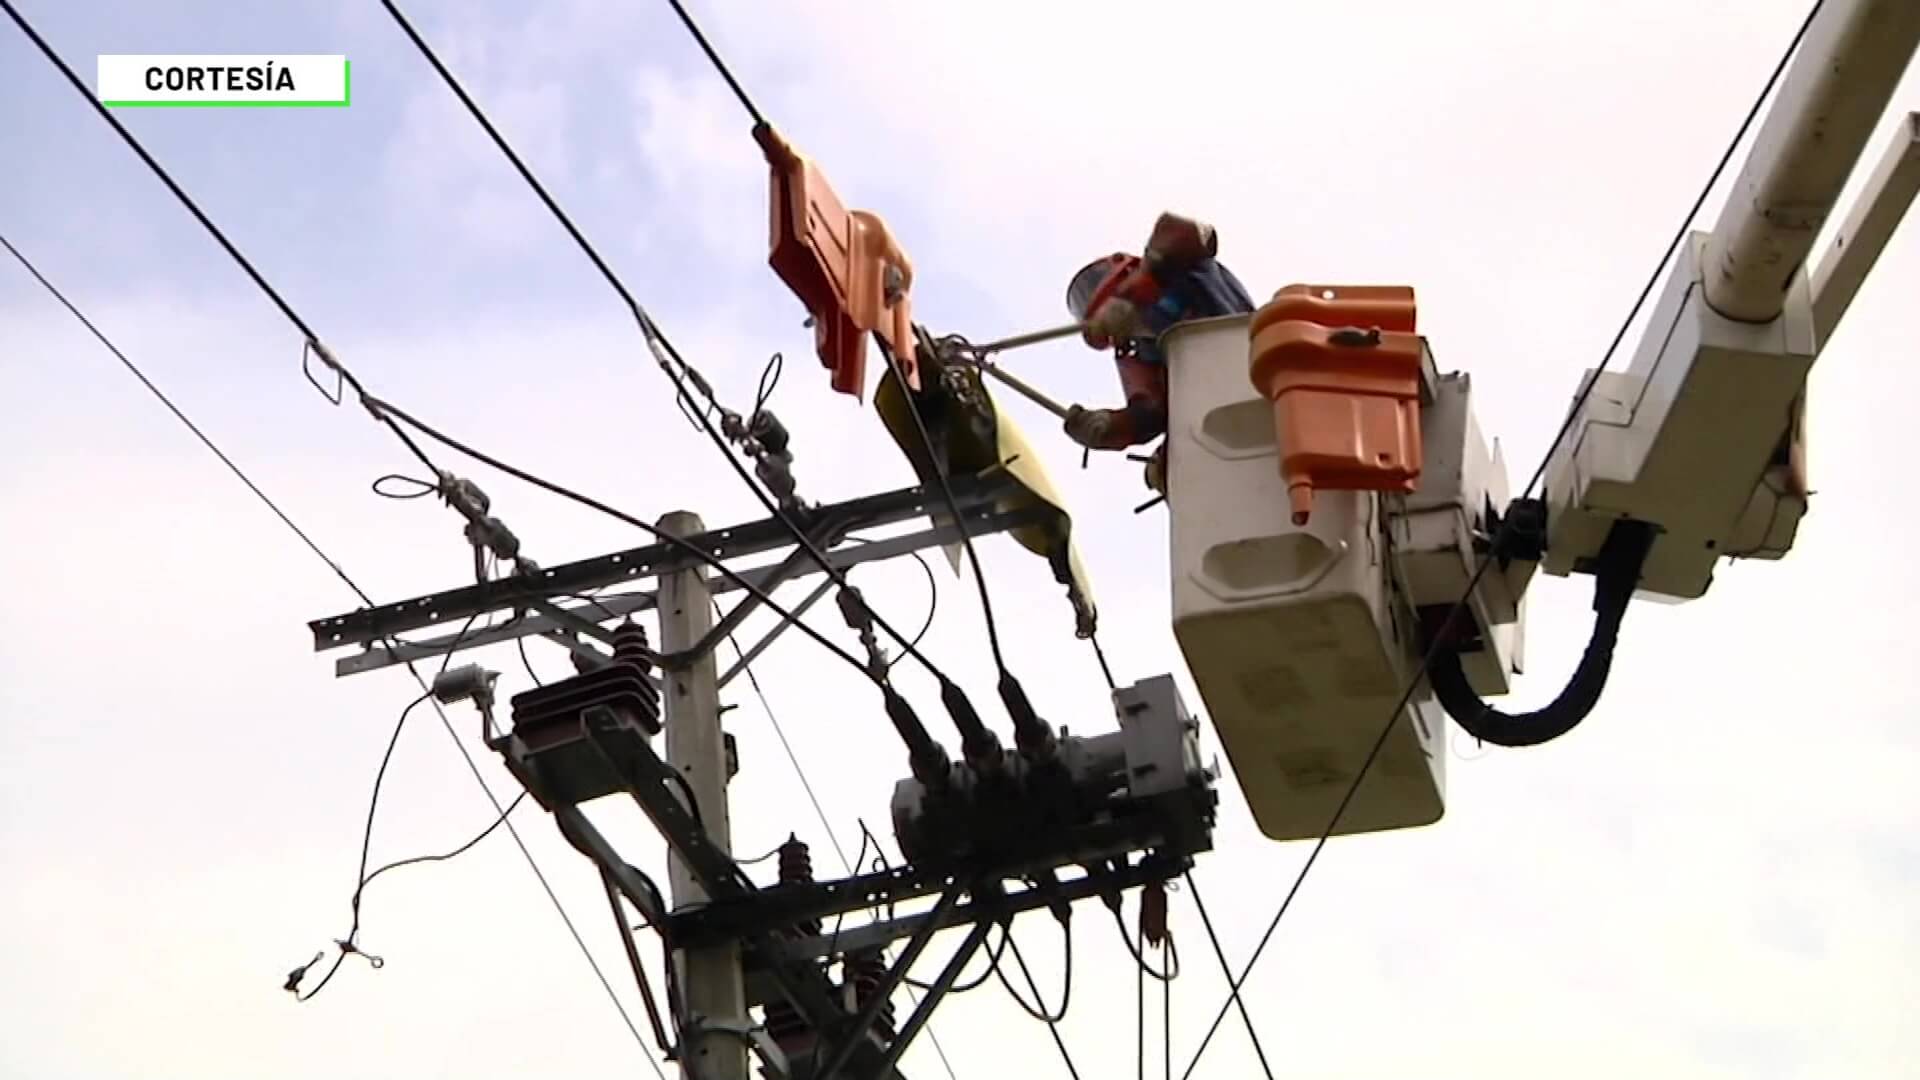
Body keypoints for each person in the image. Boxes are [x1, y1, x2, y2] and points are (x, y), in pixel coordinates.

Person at [1060, 213, 1256, 492]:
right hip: (1228, 419)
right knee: (1173, 464)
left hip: (1258, 369)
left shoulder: (1187, 269)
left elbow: (1188, 230)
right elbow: (1151, 413)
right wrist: (1108, 427)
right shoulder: (1138, 352)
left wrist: (1133, 292)